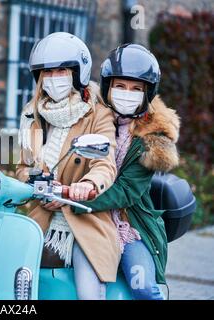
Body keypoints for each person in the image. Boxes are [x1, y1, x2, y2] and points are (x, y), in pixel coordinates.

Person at [72, 43, 180, 299]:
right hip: (90, 219)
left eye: (136, 89)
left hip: (130, 223)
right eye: (120, 86)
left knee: (141, 284)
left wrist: (79, 201)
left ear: (147, 93)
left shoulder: (152, 138)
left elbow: (127, 191)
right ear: (108, 87)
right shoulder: (92, 119)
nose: (126, 93)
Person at [16, 32, 119, 300]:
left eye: (61, 70)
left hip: (84, 220)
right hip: (41, 218)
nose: (54, 78)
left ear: (77, 73)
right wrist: (38, 185)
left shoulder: (98, 113)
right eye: (47, 72)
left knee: (88, 291)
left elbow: (104, 163)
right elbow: (22, 167)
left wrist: (84, 186)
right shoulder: (32, 115)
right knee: (8, 274)